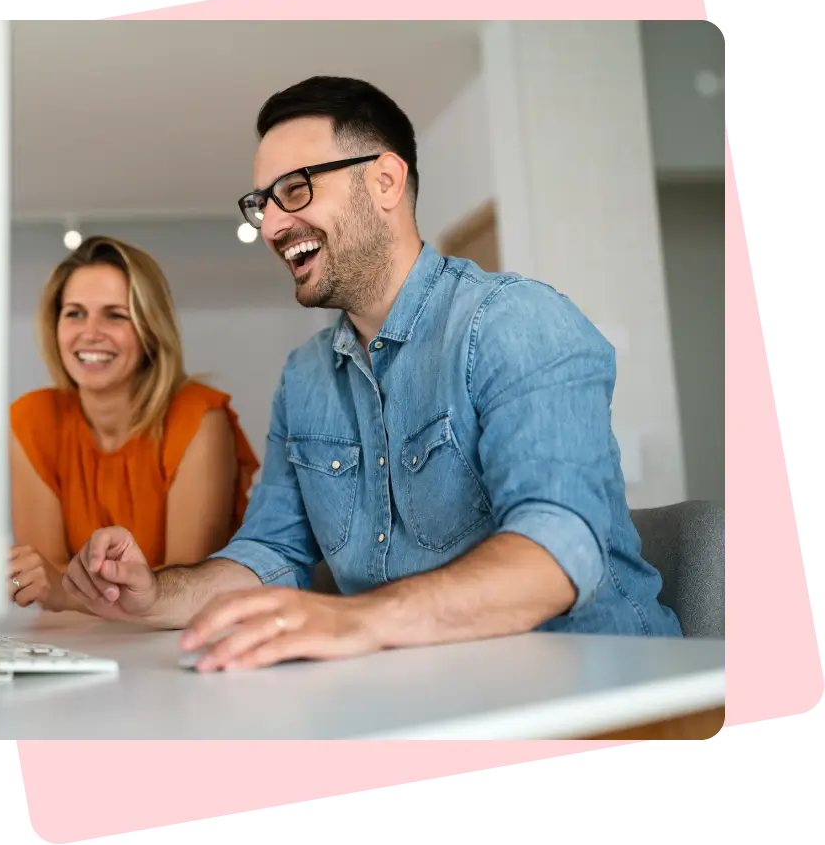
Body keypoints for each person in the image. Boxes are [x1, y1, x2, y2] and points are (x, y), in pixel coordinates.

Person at [59, 75, 685, 670]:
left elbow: (555, 551)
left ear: (385, 180)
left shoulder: (514, 321)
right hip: (423, 691)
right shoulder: (304, 378)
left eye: (296, 189)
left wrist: (356, 621)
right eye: (262, 203)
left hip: (607, 688)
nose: (273, 224)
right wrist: (153, 596)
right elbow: (271, 553)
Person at [7, 234, 261, 613]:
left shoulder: (198, 418)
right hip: (80, 644)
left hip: (180, 640)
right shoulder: (32, 419)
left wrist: (66, 588)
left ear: (150, 330)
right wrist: (54, 585)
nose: (90, 332)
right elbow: (43, 582)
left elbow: (185, 584)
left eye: (115, 315)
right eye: (74, 312)